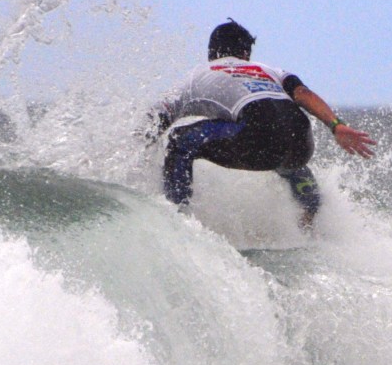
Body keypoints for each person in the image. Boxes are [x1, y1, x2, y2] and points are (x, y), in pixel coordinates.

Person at [149, 19, 375, 227]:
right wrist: (336, 125)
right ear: (246, 53)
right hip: (301, 143)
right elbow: (303, 93)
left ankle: (177, 221)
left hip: (257, 140)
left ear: (211, 51)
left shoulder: (199, 74)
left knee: (179, 140)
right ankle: (310, 219)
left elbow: (160, 115)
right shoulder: (271, 71)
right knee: (286, 149)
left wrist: (142, 144)